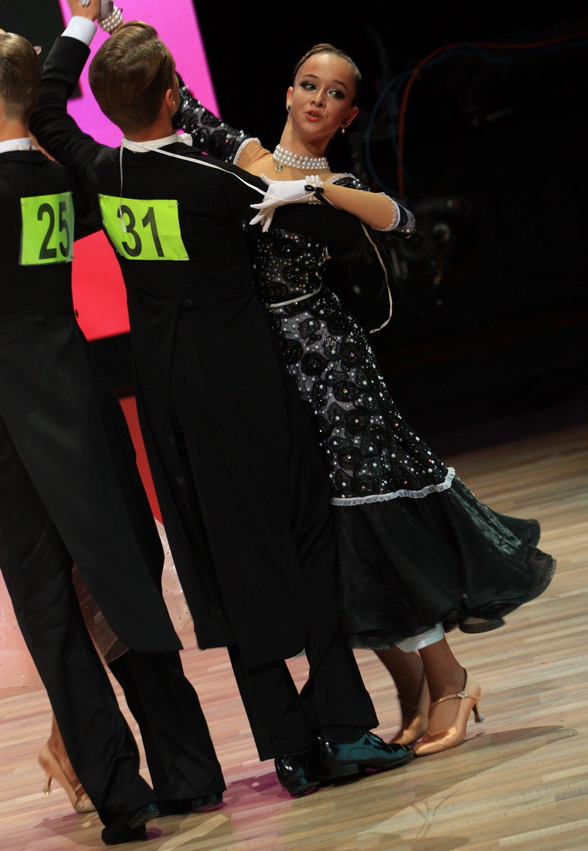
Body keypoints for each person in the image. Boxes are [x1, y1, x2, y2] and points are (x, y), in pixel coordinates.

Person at [31, 0, 413, 802]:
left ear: (112, 106)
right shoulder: (219, 184)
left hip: (166, 402)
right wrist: (318, 194)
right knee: (307, 541)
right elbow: (346, 226)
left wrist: (83, 24)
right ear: (172, 95)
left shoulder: (100, 168)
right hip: (246, 389)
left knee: (221, 565)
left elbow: (48, 105)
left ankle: (289, 750)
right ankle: (344, 730)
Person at [172, 44, 557, 755]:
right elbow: (182, 102)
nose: (319, 99)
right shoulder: (247, 157)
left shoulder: (338, 183)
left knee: (372, 518)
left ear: (350, 115)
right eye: (309, 85)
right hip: (269, 372)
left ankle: (449, 679)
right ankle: (410, 687)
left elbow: (400, 219)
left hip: (333, 367)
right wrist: (105, 22)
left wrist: (313, 192)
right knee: (330, 535)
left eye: (336, 93)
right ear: (288, 93)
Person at [0, 30, 225, 846]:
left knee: (51, 608)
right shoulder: (62, 177)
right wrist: (79, 30)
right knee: (124, 585)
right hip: (80, 389)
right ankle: (189, 772)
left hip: (12, 413)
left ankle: (121, 796)